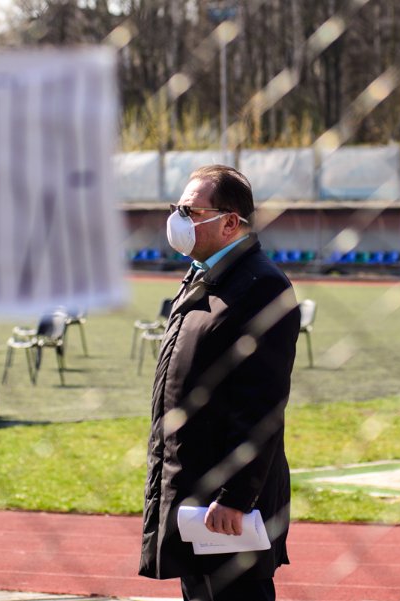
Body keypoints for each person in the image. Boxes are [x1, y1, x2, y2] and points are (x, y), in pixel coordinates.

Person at [139, 165, 301, 601]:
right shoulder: (203, 276)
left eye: (190, 211)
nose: (178, 220)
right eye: (177, 208)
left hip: (225, 501)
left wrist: (235, 495)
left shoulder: (260, 287)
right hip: (190, 481)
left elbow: (262, 404)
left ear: (230, 222)